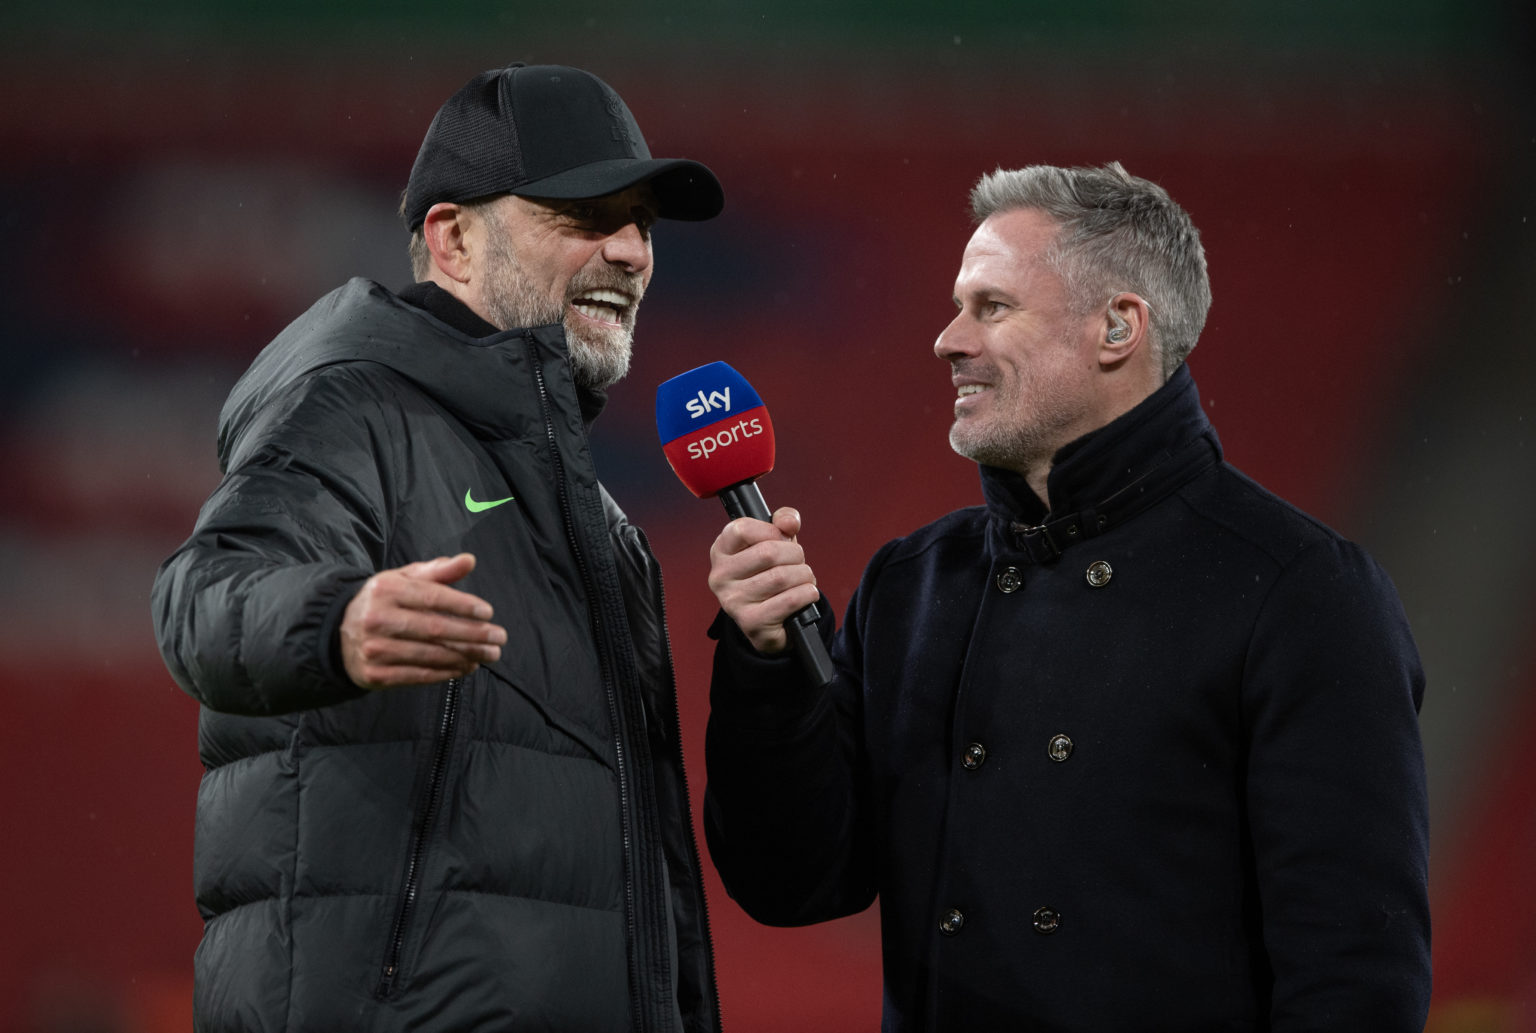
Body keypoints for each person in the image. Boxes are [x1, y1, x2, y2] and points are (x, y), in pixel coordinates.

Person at [701, 162, 1430, 1030]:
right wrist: (769, 665)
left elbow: (1354, 979)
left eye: (992, 307)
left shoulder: (1299, 591)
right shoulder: (913, 584)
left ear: (1116, 327)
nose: (947, 339)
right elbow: (796, 881)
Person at [152, 63, 724, 1032]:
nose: (631, 250)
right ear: (453, 240)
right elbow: (203, 593)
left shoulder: (606, 529)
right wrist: (337, 621)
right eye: (587, 214)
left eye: (643, 224)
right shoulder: (353, 406)